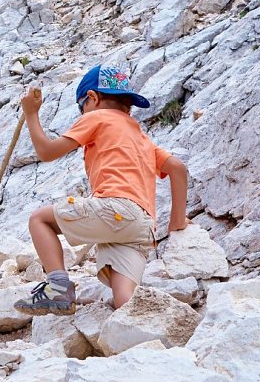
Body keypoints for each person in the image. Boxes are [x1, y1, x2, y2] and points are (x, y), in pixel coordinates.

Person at [12, 63, 189, 315]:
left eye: (81, 106)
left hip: (116, 210)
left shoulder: (96, 116)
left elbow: (46, 152)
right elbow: (177, 168)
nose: (82, 113)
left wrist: (31, 114)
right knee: (124, 300)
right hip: (143, 227)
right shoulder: (139, 135)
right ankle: (153, 325)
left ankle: (58, 288)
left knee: (39, 219)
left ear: (92, 98)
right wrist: (176, 224)